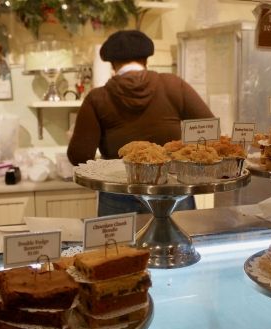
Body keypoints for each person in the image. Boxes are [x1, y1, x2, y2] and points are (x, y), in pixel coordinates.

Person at [68, 30, 214, 216]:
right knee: (178, 244)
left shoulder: (98, 98)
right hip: (172, 191)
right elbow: (209, 131)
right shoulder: (174, 85)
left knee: (119, 246)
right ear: (146, 59)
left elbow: (78, 155)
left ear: (112, 64)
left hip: (119, 194)